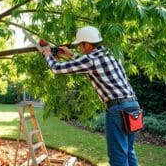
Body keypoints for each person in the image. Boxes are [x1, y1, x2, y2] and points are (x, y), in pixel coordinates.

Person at [41, 26, 140, 166]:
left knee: (118, 155)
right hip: (133, 105)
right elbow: (91, 66)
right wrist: (71, 55)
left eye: (80, 45)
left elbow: (57, 69)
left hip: (118, 108)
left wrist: (47, 55)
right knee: (129, 151)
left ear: (87, 44)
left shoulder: (90, 59)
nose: (79, 48)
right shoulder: (109, 53)